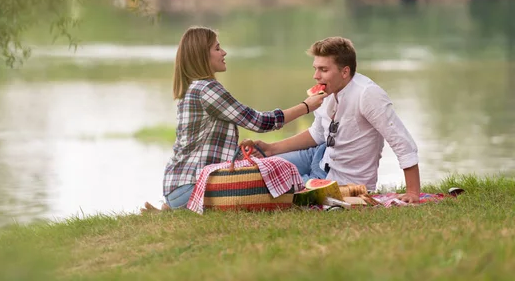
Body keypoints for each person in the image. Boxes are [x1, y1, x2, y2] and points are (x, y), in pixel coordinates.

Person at [160, 26, 327, 210]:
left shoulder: (193, 88)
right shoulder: (207, 89)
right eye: (217, 48)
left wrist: (239, 154)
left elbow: (204, 149)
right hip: (192, 186)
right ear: (201, 55)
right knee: (279, 176)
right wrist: (306, 107)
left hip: (178, 187)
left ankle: (172, 207)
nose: (223, 52)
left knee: (274, 167)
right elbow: (260, 122)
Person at [255, 37, 421, 203]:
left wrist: (412, 192)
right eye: (315, 69)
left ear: (345, 72)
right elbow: (317, 134)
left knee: (268, 185)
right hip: (319, 155)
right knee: (260, 170)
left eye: (323, 70)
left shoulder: (368, 94)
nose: (316, 76)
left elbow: (401, 141)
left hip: (344, 182)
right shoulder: (327, 90)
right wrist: (271, 149)